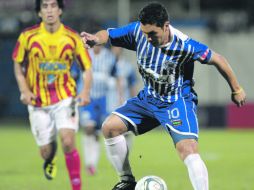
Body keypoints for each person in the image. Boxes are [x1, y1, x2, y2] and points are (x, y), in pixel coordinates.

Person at [81, 2, 246, 190]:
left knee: (188, 149)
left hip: (176, 102)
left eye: (152, 34)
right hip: (148, 99)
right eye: (145, 34)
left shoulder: (184, 45)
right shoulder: (138, 32)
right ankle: (126, 181)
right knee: (109, 128)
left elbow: (218, 59)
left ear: (166, 26)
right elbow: (108, 35)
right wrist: (96, 38)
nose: (148, 38)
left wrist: (236, 89)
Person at [12, 0, 92, 190]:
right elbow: (18, 66)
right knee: (46, 151)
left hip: (65, 97)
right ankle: (50, 157)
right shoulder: (27, 37)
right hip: (38, 101)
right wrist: (25, 91)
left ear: (60, 10)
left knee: (68, 140)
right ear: (39, 12)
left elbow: (86, 69)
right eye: (45, 6)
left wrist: (85, 91)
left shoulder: (72, 38)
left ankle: (76, 187)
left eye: (53, 6)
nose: (49, 10)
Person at [71, 45, 122, 176]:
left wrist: (119, 97)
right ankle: (90, 164)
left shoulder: (109, 57)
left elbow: (116, 77)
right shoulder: (82, 56)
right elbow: (74, 76)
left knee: (104, 131)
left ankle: (115, 161)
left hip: (105, 99)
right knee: (89, 129)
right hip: (88, 99)